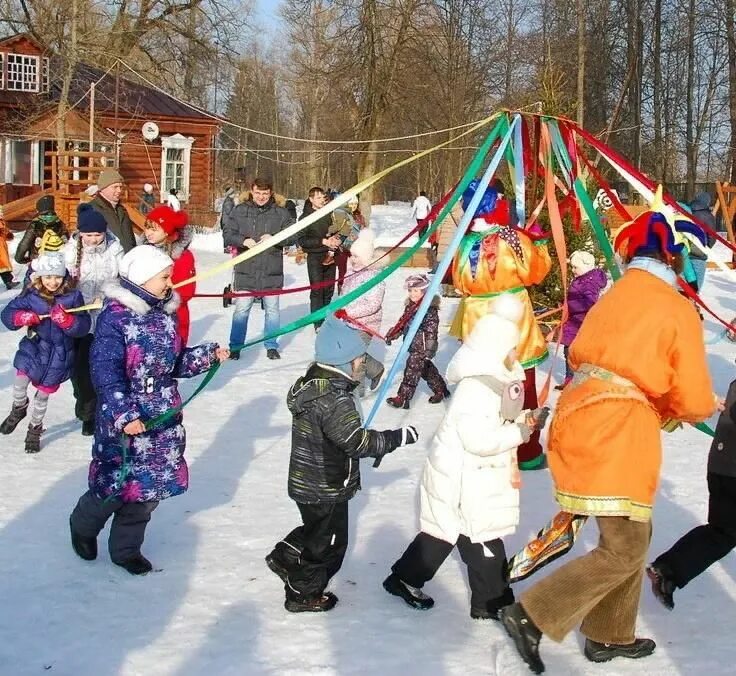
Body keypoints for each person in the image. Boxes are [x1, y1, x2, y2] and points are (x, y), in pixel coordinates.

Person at [500, 193, 717, 674]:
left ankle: (609, 634)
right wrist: (699, 407)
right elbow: (693, 394)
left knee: (632, 534)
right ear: (673, 256)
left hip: (582, 415)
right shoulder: (675, 307)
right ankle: (533, 614)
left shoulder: (614, 293)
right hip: (617, 429)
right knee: (624, 546)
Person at [68, 246, 229, 575]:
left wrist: (208, 355)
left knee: (146, 490)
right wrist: (124, 415)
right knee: (113, 486)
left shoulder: (165, 314)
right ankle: (82, 525)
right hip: (125, 419)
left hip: (161, 420)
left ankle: (126, 550)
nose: (171, 283)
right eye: (164, 277)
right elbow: (105, 372)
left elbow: (174, 362)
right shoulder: (116, 319)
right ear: (142, 279)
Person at [384, 297, 549, 618]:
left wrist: (524, 419)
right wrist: (520, 432)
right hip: (462, 478)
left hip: (465, 475)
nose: (516, 355)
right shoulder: (477, 390)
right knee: (482, 539)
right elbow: (478, 439)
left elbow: (494, 423)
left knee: (444, 534)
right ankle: (492, 604)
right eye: (512, 350)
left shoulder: (491, 382)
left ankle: (404, 578)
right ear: (495, 349)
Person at [265, 314, 419, 612]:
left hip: (305, 480)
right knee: (329, 545)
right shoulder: (336, 400)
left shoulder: (311, 384)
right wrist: (396, 438)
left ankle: (284, 556)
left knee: (317, 527)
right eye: (360, 360)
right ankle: (303, 594)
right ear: (343, 362)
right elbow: (357, 442)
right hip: (327, 485)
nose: (363, 365)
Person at [451, 180, 551, 470]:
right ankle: (527, 452)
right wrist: (541, 243)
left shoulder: (465, 242)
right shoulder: (512, 239)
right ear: (496, 204)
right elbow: (536, 272)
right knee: (522, 382)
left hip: (477, 317)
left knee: (484, 382)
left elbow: (459, 282)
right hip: (513, 316)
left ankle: (485, 444)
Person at [647, 376, 736, 610]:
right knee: (724, 530)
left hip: (723, 466)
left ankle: (668, 570)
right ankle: (668, 570)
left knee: (723, 531)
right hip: (730, 470)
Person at [0, 250, 91, 452]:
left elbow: (83, 325)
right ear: (40, 277)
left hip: (60, 355)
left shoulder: (73, 296)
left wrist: (68, 322)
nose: (53, 282)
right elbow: (7, 314)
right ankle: (19, 408)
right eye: (48, 277)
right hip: (34, 347)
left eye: (57, 277)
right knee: (19, 382)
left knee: (42, 396)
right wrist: (21, 318)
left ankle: (35, 428)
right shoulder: (31, 295)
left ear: (64, 276)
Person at [64, 204, 124, 436]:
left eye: (97, 234)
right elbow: (59, 281)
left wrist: (114, 295)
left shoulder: (115, 249)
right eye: (88, 235)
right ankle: (85, 407)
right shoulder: (70, 252)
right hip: (79, 319)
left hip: (106, 317)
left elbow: (124, 276)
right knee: (79, 370)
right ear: (80, 233)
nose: (93, 239)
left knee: (102, 366)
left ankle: (97, 411)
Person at [222, 178, 296, 360]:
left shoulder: (281, 213)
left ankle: (271, 345)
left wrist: (275, 238)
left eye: (265, 193)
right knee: (242, 309)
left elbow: (293, 236)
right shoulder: (240, 211)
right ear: (251, 192)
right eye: (258, 193)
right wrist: (243, 241)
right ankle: (236, 346)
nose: (261, 197)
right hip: (246, 269)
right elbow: (228, 233)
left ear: (271, 193)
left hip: (271, 269)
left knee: (272, 310)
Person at [385, 273, 450, 408]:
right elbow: (403, 323)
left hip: (422, 347)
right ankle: (441, 390)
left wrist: (430, 348)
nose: (412, 294)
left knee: (412, 370)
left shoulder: (429, 310)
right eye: (410, 291)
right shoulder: (411, 306)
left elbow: (431, 330)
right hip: (412, 344)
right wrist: (393, 334)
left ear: (425, 291)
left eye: (416, 291)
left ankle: (403, 398)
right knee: (425, 369)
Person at [337, 228, 385, 396]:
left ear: (366, 258)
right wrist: (337, 308)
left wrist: (348, 312)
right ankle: (376, 369)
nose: (352, 259)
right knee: (345, 351)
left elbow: (372, 305)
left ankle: (357, 391)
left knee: (355, 355)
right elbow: (344, 295)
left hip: (365, 325)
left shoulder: (375, 278)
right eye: (352, 255)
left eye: (356, 256)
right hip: (347, 322)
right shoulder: (351, 273)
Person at [298, 187, 354, 329]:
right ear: (311, 199)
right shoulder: (305, 218)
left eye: (323, 197)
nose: (321, 200)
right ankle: (318, 322)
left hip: (331, 254)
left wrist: (337, 239)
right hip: (315, 256)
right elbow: (302, 240)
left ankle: (326, 317)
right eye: (318, 198)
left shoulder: (331, 213)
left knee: (329, 289)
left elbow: (341, 227)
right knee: (317, 290)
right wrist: (323, 241)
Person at [142, 206, 196, 345]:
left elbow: (186, 291)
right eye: (147, 228)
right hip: (146, 317)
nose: (148, 233)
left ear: (167, 231)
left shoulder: (182, 257)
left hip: (174, 318)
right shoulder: (142, 252)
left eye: (154, 229)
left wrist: (160, 298)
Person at [556, 250, 608, 389]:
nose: (573, 270)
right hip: (574, 321)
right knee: (568, 350)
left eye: (575, 267)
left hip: (582, 322)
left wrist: (571, 304)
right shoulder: (581, 278)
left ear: (585, 266)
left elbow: (590, 303)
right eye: (572, 267)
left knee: (578, 351)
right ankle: (570, 378)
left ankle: (582, 379)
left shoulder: (590, 282)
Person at [14, 195, 70, 269]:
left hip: (38, 261)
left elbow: (25, 244)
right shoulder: (60, 223)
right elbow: (66, 241)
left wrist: (20, 259)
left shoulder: (35, 224)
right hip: (57, 261)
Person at [89, 168, 137, 253]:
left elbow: (130, 239)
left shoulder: (121, 210)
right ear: (103, 188)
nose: (119, 190)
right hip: (106, 262)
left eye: (120, 187)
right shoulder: (92, 209)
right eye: (115, 187)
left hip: (127, 260)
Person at [336, 196, 366, 293]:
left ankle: (354, 291)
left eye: (355, 204)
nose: (353, 206)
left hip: (355, 248)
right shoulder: (341, 215)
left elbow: (363, 231)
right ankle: (341, 291)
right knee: (343, 271)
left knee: (356, 270)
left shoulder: (360, 217)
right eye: (351, 204)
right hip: (342, 248)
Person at [0, 207, 19, 290]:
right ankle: (9, 282)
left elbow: (5, 233)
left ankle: (9, 282)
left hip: (2, 247)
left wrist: (8, 234)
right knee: (2, 265)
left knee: (3, 266)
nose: (2, 214)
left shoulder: (2, 222)